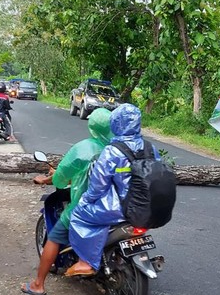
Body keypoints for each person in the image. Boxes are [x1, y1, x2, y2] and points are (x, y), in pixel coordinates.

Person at [20, 108, 114, 295]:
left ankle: (38, 285)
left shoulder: (83, 149)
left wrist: (49, 179)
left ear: (92, 127)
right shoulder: (121, 148)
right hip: (117, 207)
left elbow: (61, 179)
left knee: (54, 237)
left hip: (87, 209)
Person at [66, 103, 160, 277]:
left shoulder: (112, 152)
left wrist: (84, 200)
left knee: (78, 214)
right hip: (147, 206)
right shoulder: (150, 148)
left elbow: (98, 185)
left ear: (116, 124)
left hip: (119, 208)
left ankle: (85, 262)